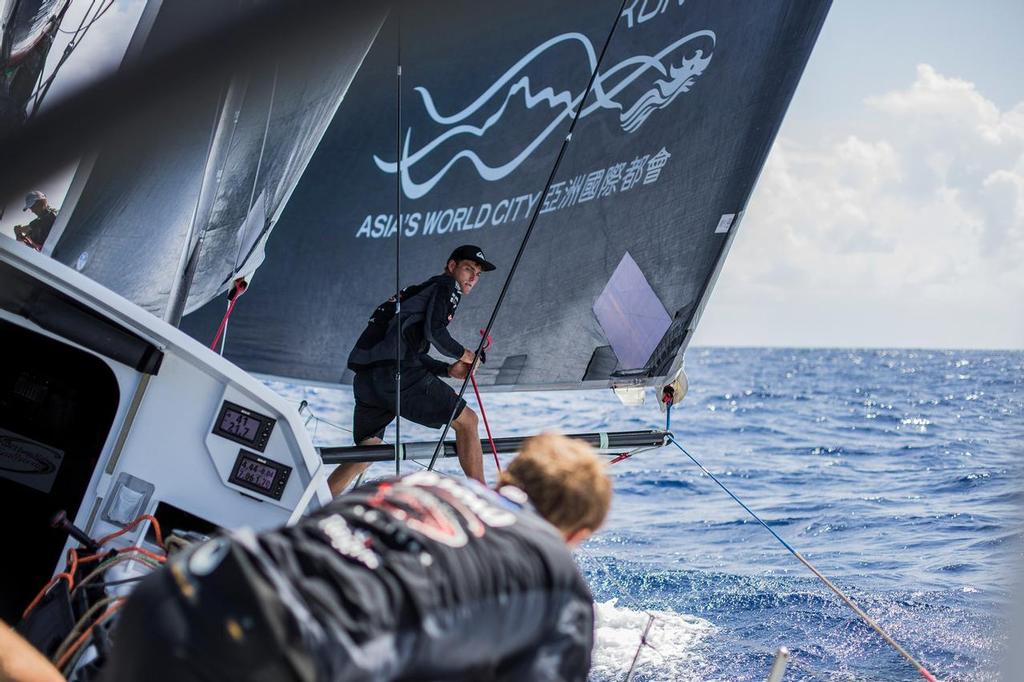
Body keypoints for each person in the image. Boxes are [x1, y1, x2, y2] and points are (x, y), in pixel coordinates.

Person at [99, 433, 612, 682]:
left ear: (507, 480)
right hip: (273, 653)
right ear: (578, 534)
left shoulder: (413, 483)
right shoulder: (557, 575)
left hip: (177, 593)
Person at [330, 244, 497, 496]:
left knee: (368, 450)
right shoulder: (446, 286)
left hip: (367, 380)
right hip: (395, 376)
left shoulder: (416, 291)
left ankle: (313, 502)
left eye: (478, 275)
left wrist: (448, 370)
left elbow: (409, 349)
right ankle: (485, 501)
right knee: (468, 421)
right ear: (451, 267)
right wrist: (466, 355)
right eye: (468, 269)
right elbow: (435, 333)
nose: (473, 278)